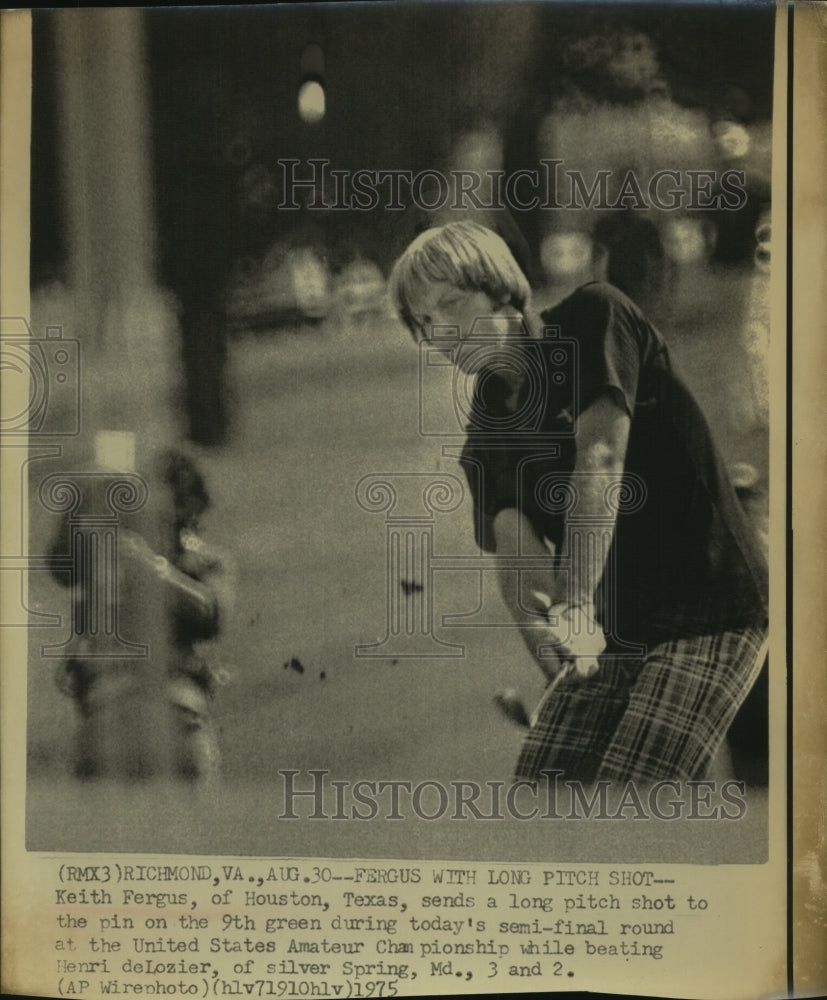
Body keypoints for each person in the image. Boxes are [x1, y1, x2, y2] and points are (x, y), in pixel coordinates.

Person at [388, 220, 768, 785]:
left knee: (624, 805)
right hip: (614, 634)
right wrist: (559, 658)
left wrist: (573, 609)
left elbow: (599, 461)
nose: (439, 330)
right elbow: (518, 559)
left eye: (450, 303)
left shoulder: (595, 317)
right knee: (543, 808)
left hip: (711, 613)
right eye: (423, 322)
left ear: (502, 289)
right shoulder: (487, 430)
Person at [51, 447, 233, 781]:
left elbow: (212, 615)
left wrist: (155, 573)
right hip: (109, 707)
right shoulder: (111, 553)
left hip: (177, 710)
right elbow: (61, 565)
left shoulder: (204, 563)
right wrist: (84, 490)